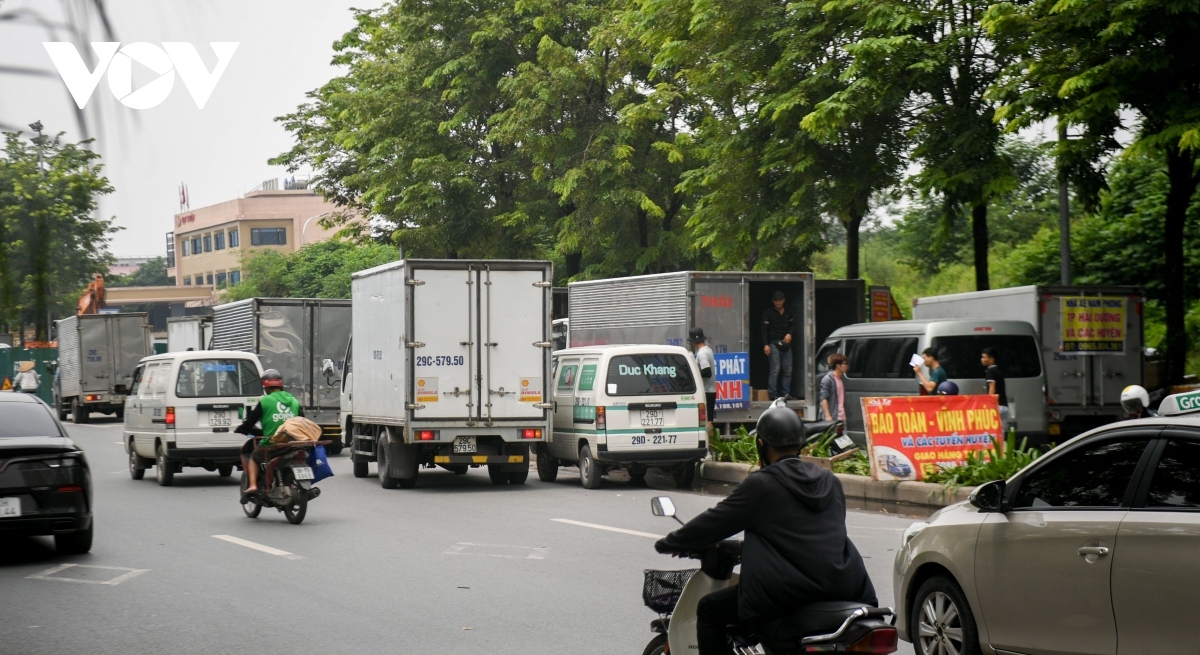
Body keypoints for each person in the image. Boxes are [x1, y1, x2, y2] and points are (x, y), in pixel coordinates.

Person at [654, 402, 877, 655]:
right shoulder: (830, 481)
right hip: (843, 585)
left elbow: (714, 522)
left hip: (787, 594)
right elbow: (804, 534)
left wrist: (670, 542)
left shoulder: (761, 485)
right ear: (800, 444)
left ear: (761, 445)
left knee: (709, 609)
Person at [235, 369, 302, 496]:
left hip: (273, 443)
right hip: (294, 442)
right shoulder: (294, 400)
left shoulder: (265, 401)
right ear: (280, 385)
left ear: (265, 387)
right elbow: (302, 420)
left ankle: (253, 485)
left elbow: (250, 421)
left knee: (254, 457)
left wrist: (242, 429)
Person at [761, 291, 794, 400]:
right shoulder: (768, 313)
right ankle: (773, 394)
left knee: (788, 370)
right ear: (773, 301)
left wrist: (790, 333)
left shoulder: (788, 312)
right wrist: (766, 344)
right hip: (773, 343)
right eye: (776, 300)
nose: (778, 302)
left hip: (786, 343)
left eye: (780, 299)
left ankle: (786, 393)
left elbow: (793, 325)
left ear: (783, 300)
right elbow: (764, 330)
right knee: (775, 369)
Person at [689, 327, 716, 436]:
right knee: (709, 421)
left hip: (706, 391)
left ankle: (711, 447)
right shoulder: (708, 349)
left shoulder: (702, 354)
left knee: (708, 422)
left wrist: (694, 374)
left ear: (693, 342)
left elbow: (707, 372)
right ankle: (713, 448)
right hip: (710, 390)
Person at [981, 348, 1010, 432]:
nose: (982, 359)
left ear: (991, 359)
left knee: (994, 431)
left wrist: (990, 404)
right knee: (1001, 431)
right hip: (1004, 406)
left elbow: (992, 388)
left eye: (984, 357)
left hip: (997, 406)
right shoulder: (998, 371)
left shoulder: (990, 371)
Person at [819, 354, 848, 422]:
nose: (847, 366)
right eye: (845, 364)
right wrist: (828, 416)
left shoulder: (840, 379)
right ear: (838, 366)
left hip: (841, 417)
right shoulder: (827, 379)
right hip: (833, 417)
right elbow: (823, 399)